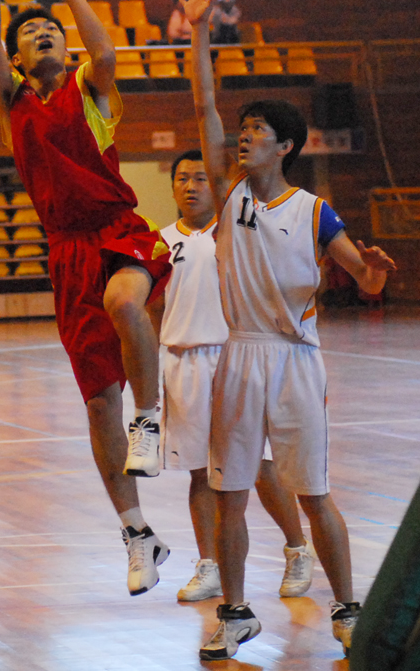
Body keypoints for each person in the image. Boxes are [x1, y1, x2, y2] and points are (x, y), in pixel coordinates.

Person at [182, 0, 396, 661]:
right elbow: (204, 102)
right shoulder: (228, 192)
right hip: (239, 355)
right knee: (230, 494)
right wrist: (198, 32)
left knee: (314, 494)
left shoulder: (314, 211)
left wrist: (374, 270)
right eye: (243, 129)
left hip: (296, 360)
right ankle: (235, 612)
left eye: (258, 131)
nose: (243, 137)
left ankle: (347, 606)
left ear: (286, 147)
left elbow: (364, 281)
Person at [0, 0, 172, 597]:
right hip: (66, 255)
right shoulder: (14, 106)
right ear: (19, 58)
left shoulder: (90, 91)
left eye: (51, 32)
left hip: (118, 230)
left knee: (125, 303)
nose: (42, 37)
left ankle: (149, 418)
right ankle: (137, 533)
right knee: (95, 404)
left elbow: (107, 53)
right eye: (31, 35)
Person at [149, 149, 315, 603]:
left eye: (200, 178)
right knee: (200, 473)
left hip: (233, 359)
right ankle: (210, 566)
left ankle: (298, 549)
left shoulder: (238, 233)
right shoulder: (160, 243)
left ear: (216, 185)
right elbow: (152, 311)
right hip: (182, 363)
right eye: (182, 178)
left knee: (259, 468)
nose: (190, 186)